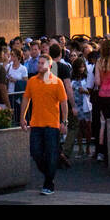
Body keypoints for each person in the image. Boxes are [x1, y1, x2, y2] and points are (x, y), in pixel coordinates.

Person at [22, 53, 68, 194]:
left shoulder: (56, 81)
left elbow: (63, 102)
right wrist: (22, 117)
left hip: (52, 124)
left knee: (51, 154)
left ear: (49, 65)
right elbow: (26, 99)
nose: (39, 65)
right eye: (39, 63)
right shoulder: (32, 81)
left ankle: (49, 183)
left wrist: (64, 122)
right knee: (35, 152)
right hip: (36, 123)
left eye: (42, 63)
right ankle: (49, 174)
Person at [6, 46, 28, 125]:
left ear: (18, 57)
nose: (11, 57)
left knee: (17, 113)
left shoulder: (23, 69)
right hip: (10, 93)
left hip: (18, 95)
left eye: (13, 55)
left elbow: (26, 82)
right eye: (11, 55)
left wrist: (16, 81)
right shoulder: (8, 67)